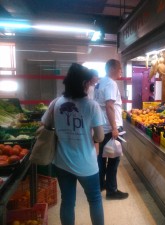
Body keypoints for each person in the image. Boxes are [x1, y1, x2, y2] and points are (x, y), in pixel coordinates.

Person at [42, 63, 105, 225]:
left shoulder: (56, 103)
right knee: (95, 200)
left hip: (62, 162)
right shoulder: (92, 106)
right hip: (87, 164)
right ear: (84, 83)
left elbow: (46, 126)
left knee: (67, 202)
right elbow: (99, 137)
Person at [94, 59, 129, 200]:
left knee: (101, 158)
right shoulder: (111, 83)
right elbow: (109, 106)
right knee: (114, 159)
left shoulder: (100, 83)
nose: (121, 71)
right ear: (111, 69)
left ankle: (100, 185)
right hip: (111, 128)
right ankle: (111, 190)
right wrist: (115, 128)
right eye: (120, 69)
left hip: (101, 126)